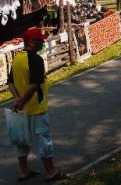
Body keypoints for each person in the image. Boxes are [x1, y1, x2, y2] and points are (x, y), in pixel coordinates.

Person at [9, 28, 69, 182]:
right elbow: (34, 84)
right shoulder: (35, 60)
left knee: (21, 141)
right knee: (43, 139)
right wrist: (22, 100)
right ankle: (51, 172)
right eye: (39, 40)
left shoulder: (17, 59)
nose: (42, 43)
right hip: (35, 107)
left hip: (20, 110)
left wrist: (17, 99)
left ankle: (24, 171)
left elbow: (10, 82)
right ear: (30, 42)